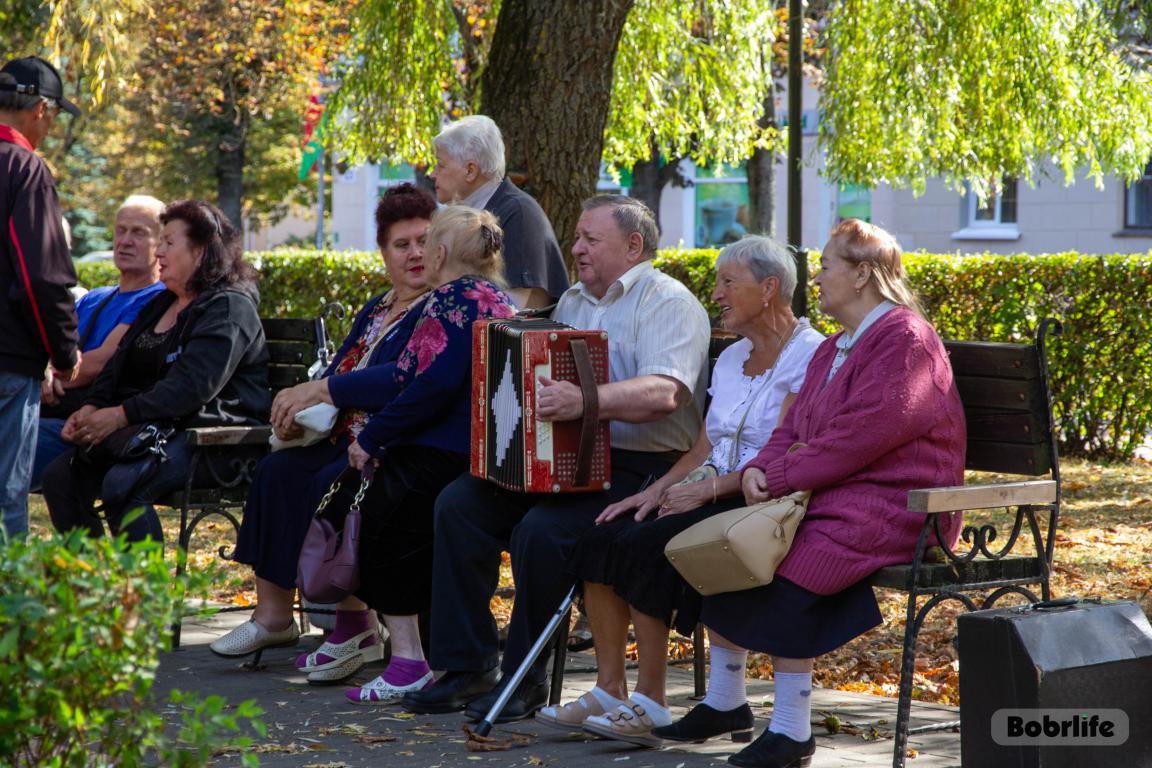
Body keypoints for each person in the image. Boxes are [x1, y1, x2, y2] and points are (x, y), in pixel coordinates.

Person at [402, 195, 711, 724]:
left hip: (645, 468)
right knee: (460, 503)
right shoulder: (570, 301)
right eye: (577, 237)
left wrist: (585, 400)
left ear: (633, 246)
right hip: (566, 456)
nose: (576, 248)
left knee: (542, 533)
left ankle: (524, 680)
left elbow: (667, 393)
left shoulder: (668, 301)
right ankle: (467, 664)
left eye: (591, 239)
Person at [685, 219, 966, 768]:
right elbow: (791, 428)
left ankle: (792, 732)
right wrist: (759, 468)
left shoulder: (906, 339)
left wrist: (783, 479)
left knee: (796, 561)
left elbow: (863, 434)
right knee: (731, 550)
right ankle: (724, 701)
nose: (816, 276)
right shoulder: (834, 346)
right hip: (833, 492)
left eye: (827, 265)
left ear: (863, 275)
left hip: (902, 504)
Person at [213, 205, 518, 708]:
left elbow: (418, 381)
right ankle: (397, 652)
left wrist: (373, 437)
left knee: (376, 527)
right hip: (472, 453)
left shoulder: (448, 300)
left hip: (436, 452)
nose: (419, 255)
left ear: (441, 253)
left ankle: (406, 662)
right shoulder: (492, 297)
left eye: (426, 246)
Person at [537, 236, 824, 746]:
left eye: (727, 283)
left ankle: (651, 699)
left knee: (646, 547)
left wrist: (706, 491)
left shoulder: (810, 354)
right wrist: (655, 491)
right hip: (711, 486)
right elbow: (701, 446)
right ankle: (609, 688)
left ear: (770, 288)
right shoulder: (734, 356)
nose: (715, 294)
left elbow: (784, 453)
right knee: (604, 532)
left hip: (763, 496)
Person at [210, 183, 438, 685]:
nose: (415, 253)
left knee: (328, 483)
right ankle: (272, 617)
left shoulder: (436, 309)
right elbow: (340, 369)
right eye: (402, 245)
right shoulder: (378, 308)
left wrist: (322, 391)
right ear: (384, 254)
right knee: (278, 471)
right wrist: (303, 408)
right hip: (343, 432)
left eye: (424, 240)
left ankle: (354, 625)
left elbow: (402, 378)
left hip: (391, 441)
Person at [41, 201, 270, 544]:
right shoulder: (160, 303)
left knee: (123, 484)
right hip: (156, 429)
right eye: (160, 241)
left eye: (169, 242)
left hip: (213, 438)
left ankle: (146, 594)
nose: (159, 251)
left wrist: (119, 416)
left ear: (201, 250)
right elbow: (117, 365)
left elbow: (192, 387)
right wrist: (91, 406)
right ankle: (94, 586)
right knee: (62, 477)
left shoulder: (229, 307)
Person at [0, 56, 82, 537]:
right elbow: (40, 278)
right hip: (8, 365)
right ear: (42, 110)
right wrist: (63, 349)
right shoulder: (24, 168)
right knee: (5, 505)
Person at [33, 195, 167, 488]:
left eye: (139, 232)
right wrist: (42, 370)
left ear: (162, 242)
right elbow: (54, 346)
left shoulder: (155, 299)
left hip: (86, 424)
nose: (125, 241)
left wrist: (43, 377)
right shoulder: (95, 297)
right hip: (53, 411)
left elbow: (101, 361)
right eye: (120, 230)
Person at [429, 114, 569, 308]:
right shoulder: (483, 212)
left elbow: (519, 309)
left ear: (470, 170)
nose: (432, 173)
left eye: (440, 164)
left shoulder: (518, 214)